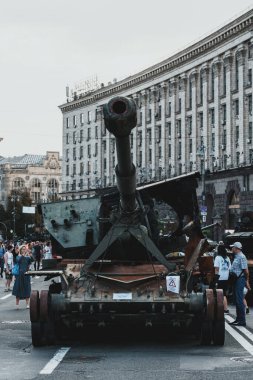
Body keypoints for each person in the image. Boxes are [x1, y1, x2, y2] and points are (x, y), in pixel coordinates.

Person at [228, 242, 251, 327]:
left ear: (236, 248)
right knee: (237, 301)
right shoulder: (237, 256)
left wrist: (247, 282)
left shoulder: (241, 257)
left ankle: (242, 321)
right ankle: (238, 319)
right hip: (236, 280)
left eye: (232, 247)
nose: (231, 248)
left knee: (239, 300)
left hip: (240, 280)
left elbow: (246, 271)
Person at [12, 245, 33, 309]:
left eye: (25, 249)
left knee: (27, 289)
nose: (24, 250)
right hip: (19, 275)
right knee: (18, 289)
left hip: (26, 274)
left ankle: (27, 304)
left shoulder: (27, 257)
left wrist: (30, 255)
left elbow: (32, 260)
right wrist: (22, 255)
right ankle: (17, 304)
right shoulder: (18, 257)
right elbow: (18, 261)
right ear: (20, 250)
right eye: (23, 249)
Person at [213, 244, 231, 313]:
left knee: (218, 293)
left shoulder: (217, 257)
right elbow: (230, 268)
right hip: (226, 277)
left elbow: (216, 269)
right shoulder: (227, 258)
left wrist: (216, 278)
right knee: (224, 294)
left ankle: (220, 309)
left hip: (219, 277)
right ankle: (225, 308)